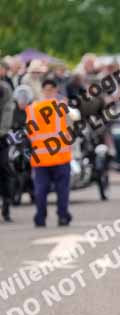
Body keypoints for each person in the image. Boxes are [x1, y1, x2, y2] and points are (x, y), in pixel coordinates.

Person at [21, 80, 73, 227]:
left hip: (40, 158)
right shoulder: (62, 106)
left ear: (43, 90)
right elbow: (71, 129)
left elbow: (28, 133)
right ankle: (62, 217)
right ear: (55, 90)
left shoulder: (32, 109)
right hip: (60, 156)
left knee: (41, 190)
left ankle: (40, 218)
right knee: (62, 190)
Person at [0, 76, 16, 221]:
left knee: (5, 168)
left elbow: (7, 110)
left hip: (1, 137)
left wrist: (2, 131)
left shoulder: (4, 89)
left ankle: (6, 205)